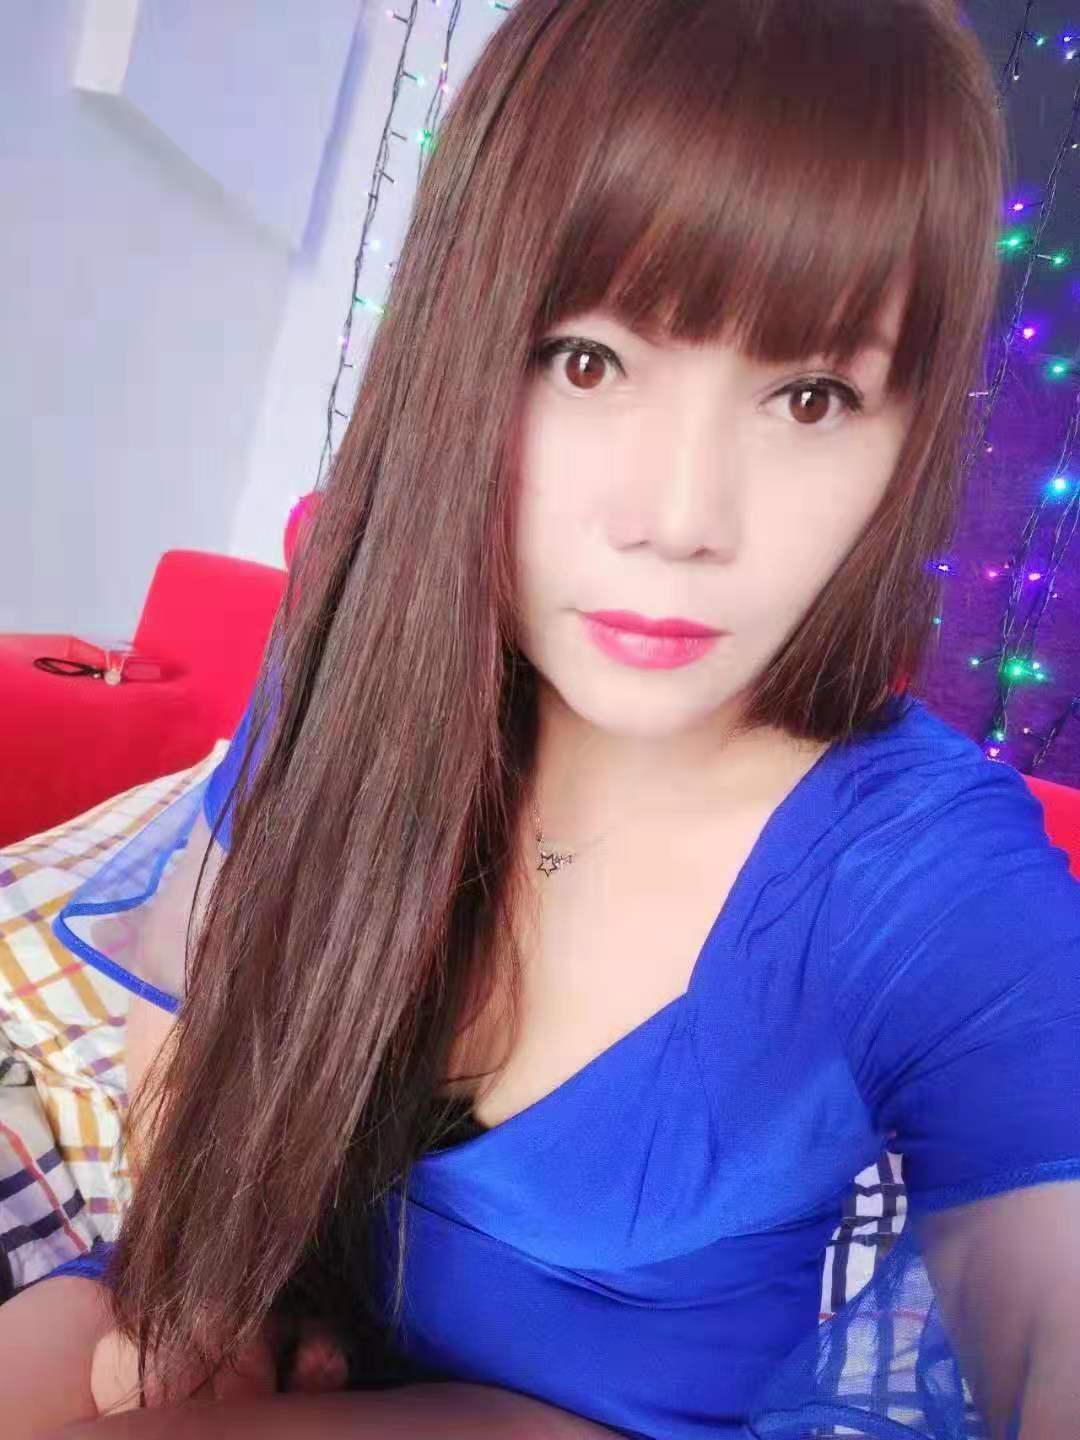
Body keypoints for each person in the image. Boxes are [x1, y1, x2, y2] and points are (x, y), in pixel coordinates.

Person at [4, 0, 1079, 1435]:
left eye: (813, 396)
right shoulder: (362, 681)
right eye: (588, 361)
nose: (682, 518)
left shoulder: (928, 876)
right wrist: (218, 1305)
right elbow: (199, 1049)